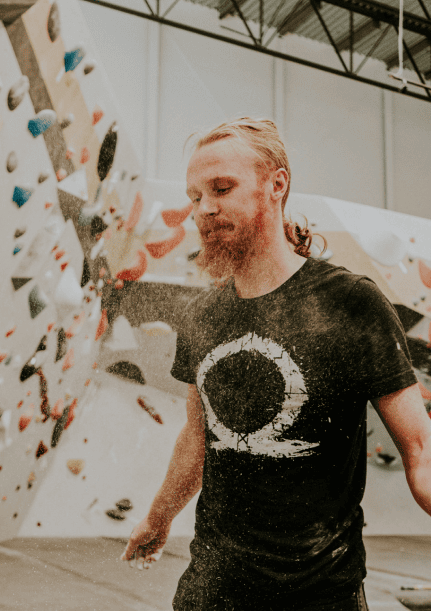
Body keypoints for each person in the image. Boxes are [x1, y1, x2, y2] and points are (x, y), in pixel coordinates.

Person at [119, 117, 431, 610]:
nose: (205, 209)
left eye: (222, 188)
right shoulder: (204, 315)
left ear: (276, 184)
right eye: (195, 196)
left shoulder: (351, 302)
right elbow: (197, 439)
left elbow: (420, 450)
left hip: (319, 594)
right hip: (212, 590)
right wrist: (157, 519)